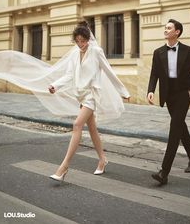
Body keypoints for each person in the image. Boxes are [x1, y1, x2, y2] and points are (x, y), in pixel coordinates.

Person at [48, 21, 130, 182]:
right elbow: (69, 75)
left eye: (83, 41)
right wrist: (55, 85)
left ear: (88, 39)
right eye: (77, 41)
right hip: (81, 94)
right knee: (92, 129)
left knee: (77, 124)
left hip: (92, 94)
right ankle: (102, 159)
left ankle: (63, 167)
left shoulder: (96, 51)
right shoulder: (74, 53)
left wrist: (123, 91)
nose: (80, 44)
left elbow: (109, 71)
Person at [147, 19, 190, 185]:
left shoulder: (189, 51)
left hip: (183, 95)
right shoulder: (158, 52)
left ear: (177, 32)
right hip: (168, 95)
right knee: (180, 127)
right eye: (165, 28)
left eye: (169, 28)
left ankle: (164, 172)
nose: (166, 30)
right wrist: (151, 90)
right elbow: (154, 74)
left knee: (174, 128)